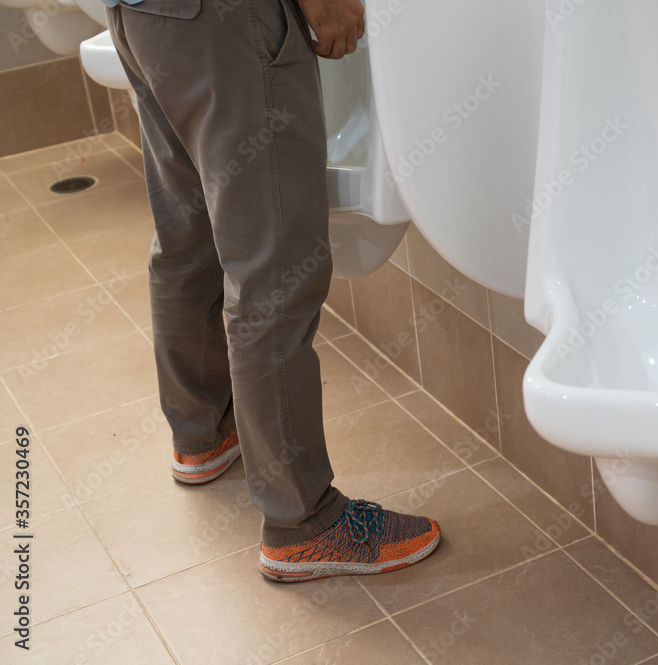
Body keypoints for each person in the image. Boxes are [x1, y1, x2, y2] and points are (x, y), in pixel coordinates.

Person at [102, 0, 441, 582]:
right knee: (274, 270)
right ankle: (303, 522)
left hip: (143, 14)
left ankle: (203, 434)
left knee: (191, 237)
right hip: (226, 18)